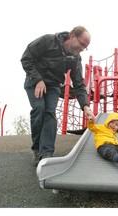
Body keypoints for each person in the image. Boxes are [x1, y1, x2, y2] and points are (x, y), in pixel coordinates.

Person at [21, 26, 96, 166]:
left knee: (50, 112)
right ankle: (37, 148)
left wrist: (85, 106)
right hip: (35, 80)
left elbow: (79, 83)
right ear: (72, 36)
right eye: (81, 44)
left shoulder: (75, 59)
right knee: (39, 109)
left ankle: (46, 153)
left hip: (53, 85)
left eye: (85, 47)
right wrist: (38, 80)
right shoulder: (48, 41)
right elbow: (26, 58)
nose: (81, 49)